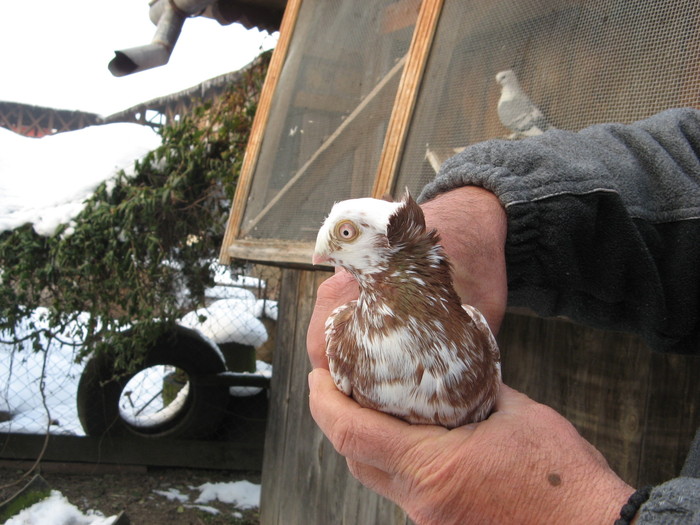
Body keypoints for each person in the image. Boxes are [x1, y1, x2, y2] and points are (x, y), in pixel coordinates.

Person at [307, 107, 700, 524]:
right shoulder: (344, 332)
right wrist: (491, 207)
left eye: (346, 234)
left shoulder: (470, 327)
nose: (321, 255)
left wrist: (582, 512)